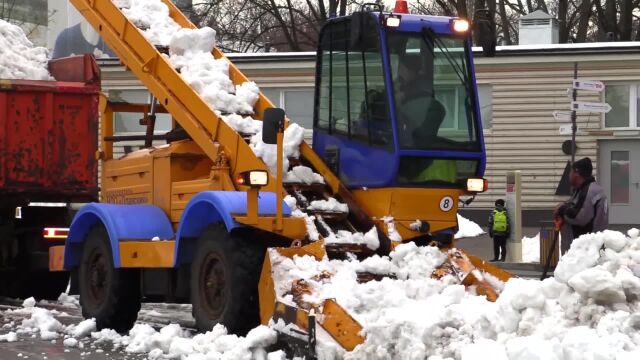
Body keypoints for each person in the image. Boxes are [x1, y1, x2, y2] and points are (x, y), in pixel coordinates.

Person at [554, 157, 608, 254]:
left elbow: (579, 217)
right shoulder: (582, 189)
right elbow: (575, 205)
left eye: (570, 172)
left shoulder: (589, 191)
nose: (569, 175)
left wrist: (562, 210)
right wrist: (564, 206)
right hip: (582, 248)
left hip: (584, 250)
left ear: (576, 173)